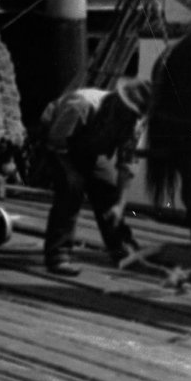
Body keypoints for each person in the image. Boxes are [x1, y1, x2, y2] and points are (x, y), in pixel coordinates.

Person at [39, 78, 154, 276]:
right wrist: (73, 171)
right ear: (116, 100)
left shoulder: (133, 124)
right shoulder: (82, 105)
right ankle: (58, 255)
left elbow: (126, 165)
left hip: (89, 149)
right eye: (127, 110)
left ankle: (123, 250)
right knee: (71, 187)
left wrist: (120, 204)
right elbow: (56, 141)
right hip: (59, 145)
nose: (128, 117)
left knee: (108, 190)